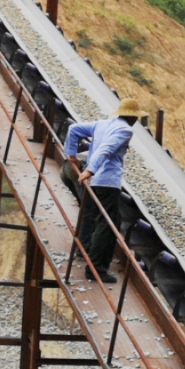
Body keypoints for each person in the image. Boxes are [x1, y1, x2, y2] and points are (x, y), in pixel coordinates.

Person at [64, 98, 143, 283]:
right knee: (107, 224)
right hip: (107, 182)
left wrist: (72, 155)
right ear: (133, 118)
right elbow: (105, 150)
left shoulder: (102, 124)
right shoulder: (125, 130)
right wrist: (89, 170)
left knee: (97, 218)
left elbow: (73, 129)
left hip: (94, 182)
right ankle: (96, 269)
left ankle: (86, 253)